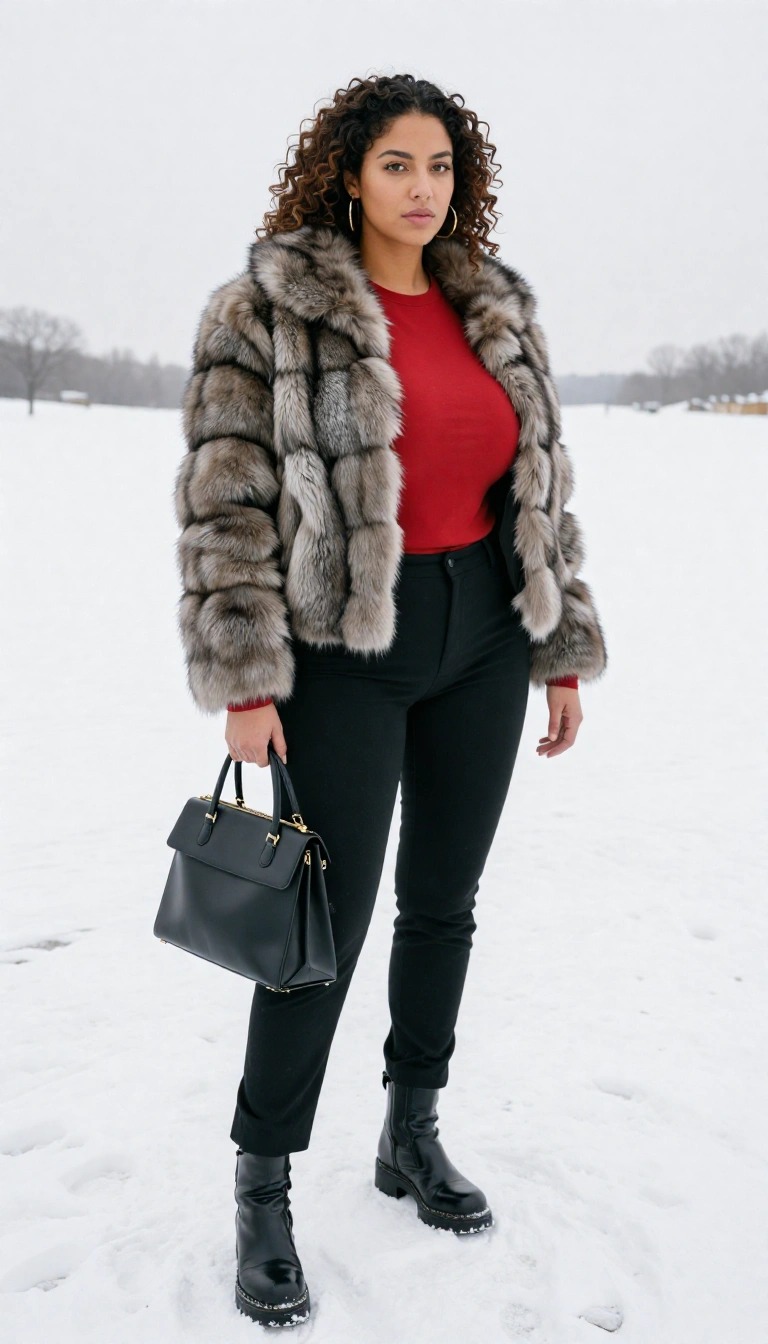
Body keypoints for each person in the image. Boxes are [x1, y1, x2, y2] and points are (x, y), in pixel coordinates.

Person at [173, 72, 608, 1328]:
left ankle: (410, 1132)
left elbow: (543, 490)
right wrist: (246, 676)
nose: (424, 190)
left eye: (441, 167)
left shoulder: (496, 312)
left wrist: (557, 642)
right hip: (343, 646)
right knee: (324, 925)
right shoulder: (269, 311)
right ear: (349, 175)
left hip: (481, 632)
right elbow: (226, 501)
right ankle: (264, 1183)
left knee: (446, 904)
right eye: (398, 166)